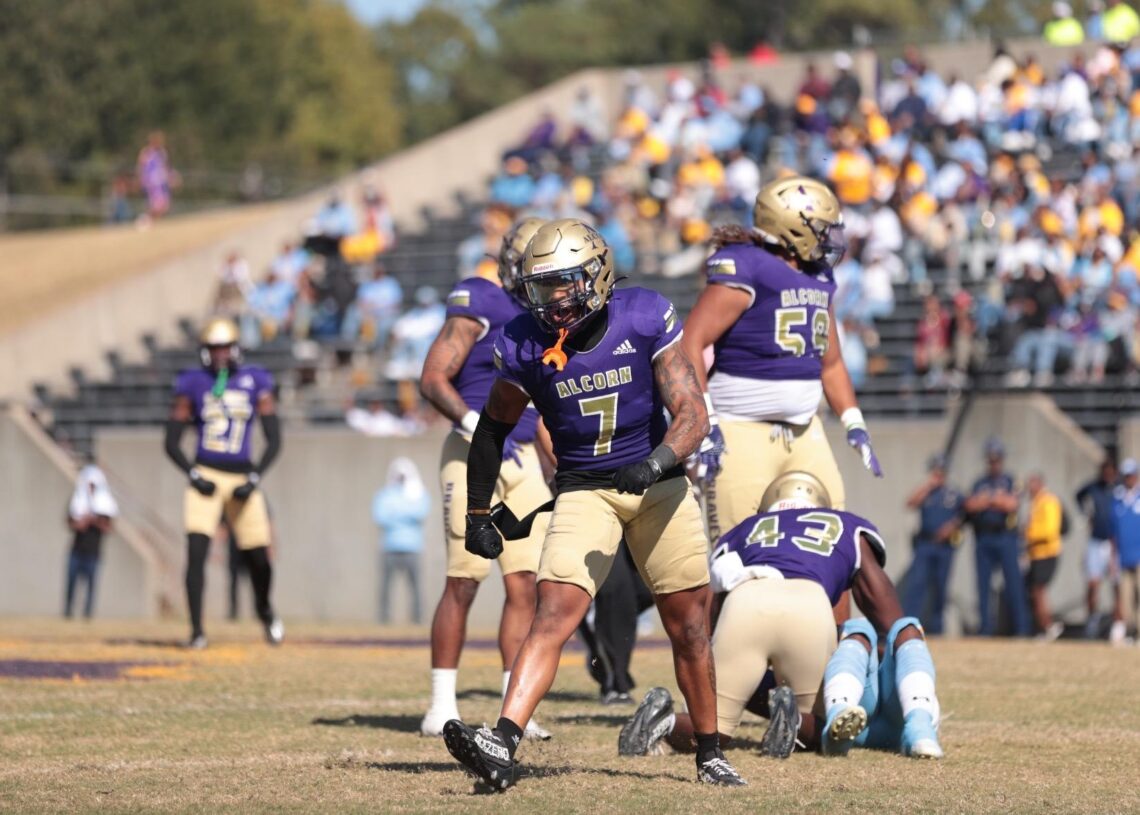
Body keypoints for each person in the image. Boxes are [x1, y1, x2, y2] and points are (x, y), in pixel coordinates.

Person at [442, 219, 746, 789]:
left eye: (563, 283)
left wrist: (655, 462)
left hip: (657, 484)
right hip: (585, 489)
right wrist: (477, 512)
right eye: (541, 287)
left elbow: (692, 413)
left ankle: (710, 751)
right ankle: (501, 742)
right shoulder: (522, 341)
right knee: (553, 610)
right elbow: (491, 430)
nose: (552, 299)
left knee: (690, 626)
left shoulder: (643, 315)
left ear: (596, 275)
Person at [619, 472, 943, 761]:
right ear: (821, 503)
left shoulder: (743, 530)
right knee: (829, 726)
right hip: (809, 604)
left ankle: (664, 721)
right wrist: (893, 641)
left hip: (745, 602)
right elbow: (881, 602)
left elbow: (714, 610)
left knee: (714, 730)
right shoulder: (846, 525)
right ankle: (794, 720)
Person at [680, 176, 882, 545]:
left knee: (835, 545)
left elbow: (832, 363)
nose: (830, 238)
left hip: (806, 431)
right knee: (734, 552)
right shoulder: (746, 265)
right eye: (821, 229)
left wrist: (854, 421)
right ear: (791, 228)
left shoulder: (818, 275)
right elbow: (691, 343)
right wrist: (704, 423)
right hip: (740, 432)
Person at [418, 217, 554, 740]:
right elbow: (432, 376)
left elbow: (541, 411)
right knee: (463, 582)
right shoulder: (479, 298)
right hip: (474, 451)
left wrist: (558, 467)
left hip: (520, 457)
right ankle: (441, 704)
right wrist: (472, 422)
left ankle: (513, 705)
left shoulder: (545, 322)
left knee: (526, 588)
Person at [163, 317, 284, 649]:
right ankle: (197, 630)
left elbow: (274, 438)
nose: (220, 355)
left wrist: (255, 475)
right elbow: (171, 441)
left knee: (259, 556)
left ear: (236, 348)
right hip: (206, 472)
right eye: (214, 348)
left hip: (243, 474)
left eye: (225, 347)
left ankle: (264, 609)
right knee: (197, 552)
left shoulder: (256, 380)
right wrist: (193, 474)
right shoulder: (192, 382)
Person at [576, 541, 655, 704]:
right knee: (614, 591)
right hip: (601, 523)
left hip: (637, 521)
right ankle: (615, 684)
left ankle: (596, 635)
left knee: (647, 590)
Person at [966, 438, 1030, 637]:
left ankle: (1021, 629)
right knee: (983, 586)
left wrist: (988, 499)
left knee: (1014, 584)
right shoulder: (979, 482)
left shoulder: (1010, 480)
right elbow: (970, 505)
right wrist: (995, 499)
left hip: (1006, 537)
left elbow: (1012, 504)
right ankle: (985, 628)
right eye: (991, 459)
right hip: (984, 537)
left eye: (997, 459)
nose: (994, 463)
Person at [903, 454, 965, 634]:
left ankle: (937, 628)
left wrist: (952, 527)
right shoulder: (926, 492)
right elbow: (909, 503)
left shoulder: (953, 494)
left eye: (941, 471)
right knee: (917, 584)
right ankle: (908, 626)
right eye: (935, 471)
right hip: (925, 543)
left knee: (941, 587)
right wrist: (928, 486)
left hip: (945, 547)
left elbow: (965, 514)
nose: (938, 475)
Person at [373, 458, 429, 625]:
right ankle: (384, 619)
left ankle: (417, 619)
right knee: (386, 587)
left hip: (412, 547)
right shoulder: (384, 494)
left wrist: (395, 512)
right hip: (390, 546)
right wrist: (406, 514)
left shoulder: (418, 493)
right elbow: (380, 516)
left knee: (415, 587)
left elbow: (420, 513)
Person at [1076, 458, 1125, 641]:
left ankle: (1118, 624)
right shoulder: (1094, 487)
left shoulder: (1120, 489)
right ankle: (1092, 620)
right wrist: (1086, 513)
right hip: (1096, 540)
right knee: (1092, 583)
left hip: (1114, 543)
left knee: (1117, 585)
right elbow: (1079, 495)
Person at [64, 461, 119, 619]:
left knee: (91, 587)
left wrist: (94, 520)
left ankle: (88, 615)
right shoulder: (76, 500)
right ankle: (68, 613)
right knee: (71, 584)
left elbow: (110, 528)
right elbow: (70, 522)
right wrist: (82, 522)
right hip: (76, 550)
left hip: (94, 552)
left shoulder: (105, 504)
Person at [1023, 473, 1065, 641]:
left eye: (1031, 484)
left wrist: (1029, 534)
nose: (1029, 488)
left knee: (1039, 590)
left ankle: (1049, 626)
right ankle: (1044, 626)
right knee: (1036, 591)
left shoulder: (1048, 501)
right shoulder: (1036, 502)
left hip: (1047, 553)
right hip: (1036, 553)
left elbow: (1050, 530)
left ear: (1039, 484)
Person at [1112, 459, 1140, 642]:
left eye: (1132, 475)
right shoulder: (1117, 498)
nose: (1129, 479)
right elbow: (1113, 531)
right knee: (1126, 597)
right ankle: (1131, 631)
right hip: (1123, 556)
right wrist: (1113, 556)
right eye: (1127, 475)